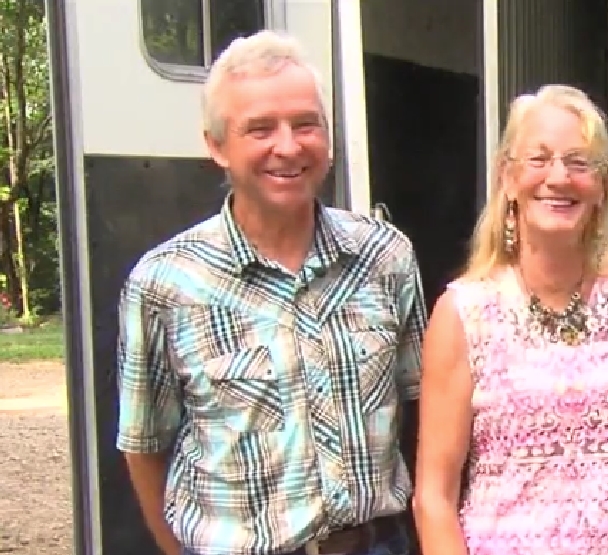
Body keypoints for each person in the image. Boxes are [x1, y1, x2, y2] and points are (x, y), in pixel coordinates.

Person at [115, 30, 425, 555]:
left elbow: (425, 411)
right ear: (216, 145)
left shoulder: (385, 256)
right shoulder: (166, 283)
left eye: (305, 124)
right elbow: (145, 447)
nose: (288, 146)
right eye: (259, 129)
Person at [412, 84, 608, 555]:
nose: (558, 177)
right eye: (539, 159)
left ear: (602, 186)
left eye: (578, 161)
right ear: (507, 178)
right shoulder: (465, 314)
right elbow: (434, 496)